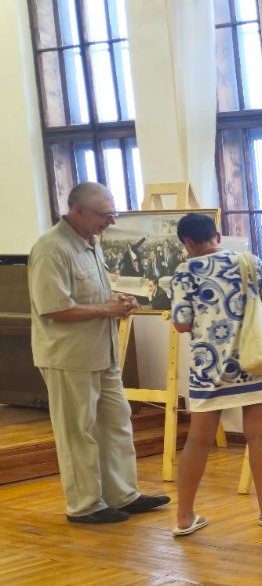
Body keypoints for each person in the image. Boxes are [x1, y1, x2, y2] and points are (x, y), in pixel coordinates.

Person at [27, 182, 170, 524]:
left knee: (116, 423)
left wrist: (119, 302)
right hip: (69, 357)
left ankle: (123, 494)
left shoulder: (91, 243)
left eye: (113, 214)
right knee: (78, 432)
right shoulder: (51, 249)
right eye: (105, 215)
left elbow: (91, 296)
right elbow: (53, 308)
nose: (111, 221)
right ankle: (85, 506)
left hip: (102, 352)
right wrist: (107, 309)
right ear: (78, 211)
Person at [168, 213, 262, 536]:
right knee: (258, 434)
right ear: (218, 236)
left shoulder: (184, 272)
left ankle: (184, 516)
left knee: (198, 440)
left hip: (208, 367)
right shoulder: (247, 261)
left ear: (188, 243)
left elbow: (181, 324)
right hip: (253, 363)